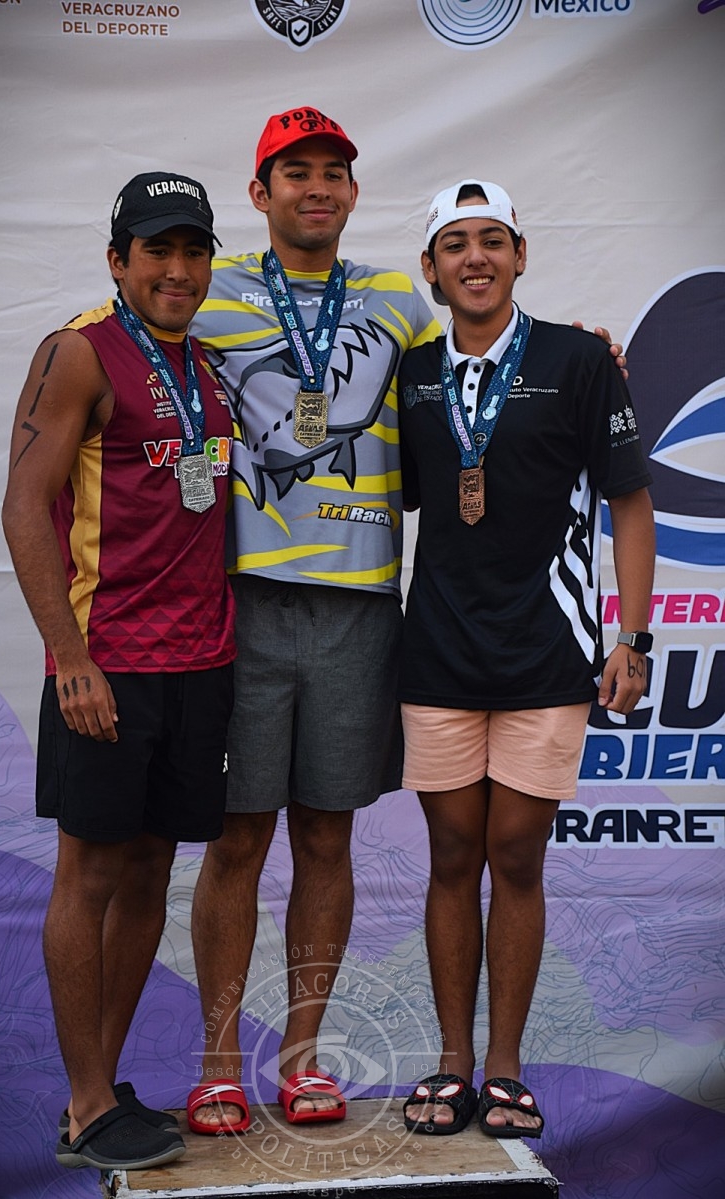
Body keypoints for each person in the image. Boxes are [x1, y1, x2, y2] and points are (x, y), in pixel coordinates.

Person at [185, 105, 443, 1133]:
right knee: (238, 837)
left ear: (352, 191)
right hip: (242, 594)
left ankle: (303, 1058)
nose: (318, 187)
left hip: (359, 598)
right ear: (260, 193)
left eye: (334, 171)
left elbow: (469, 389)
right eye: (296, 172)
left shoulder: (398, 299)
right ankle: (216, 1064)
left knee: (327, 835)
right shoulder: (208, 290)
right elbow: (113, 355)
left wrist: (586, 353)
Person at [398, 180, 655, 1140]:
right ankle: (451, 1062)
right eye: (455, 243)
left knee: (515, 852)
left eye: (493, 240)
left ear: (519, 255)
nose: (476, 257)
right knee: (450, 854)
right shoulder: (410, 374)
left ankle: (504, 1065)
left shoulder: (579, 360)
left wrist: (633, 635)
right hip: (437, 651)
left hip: (550, 651)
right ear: (431, 268)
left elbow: (630, 502)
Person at [1, 173, 235, 1170]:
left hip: (201, 660)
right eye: (156, 250)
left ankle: (90, 1091)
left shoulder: (207, 361)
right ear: (117, 259)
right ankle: (90, 1100)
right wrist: (70, 659)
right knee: (89, 871)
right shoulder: (79, 352)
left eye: (193, 251)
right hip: (108, 663)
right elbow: (23, 505)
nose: (177, 270)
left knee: (148, 871)